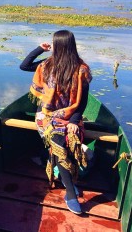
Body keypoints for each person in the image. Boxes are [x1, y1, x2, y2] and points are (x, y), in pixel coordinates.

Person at [20, 30, 92, 215]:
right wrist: (38, 49)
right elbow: (24, 65)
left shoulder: (81, 70)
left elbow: (82, 102)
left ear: (60, 46)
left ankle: (57, 169)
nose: (51, 47)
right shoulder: (47, 65)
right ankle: (71, 193)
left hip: (70, 116)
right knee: (59, 143)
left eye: (53, 44)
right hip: (45, 115)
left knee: (71, 139)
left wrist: (74, 121)